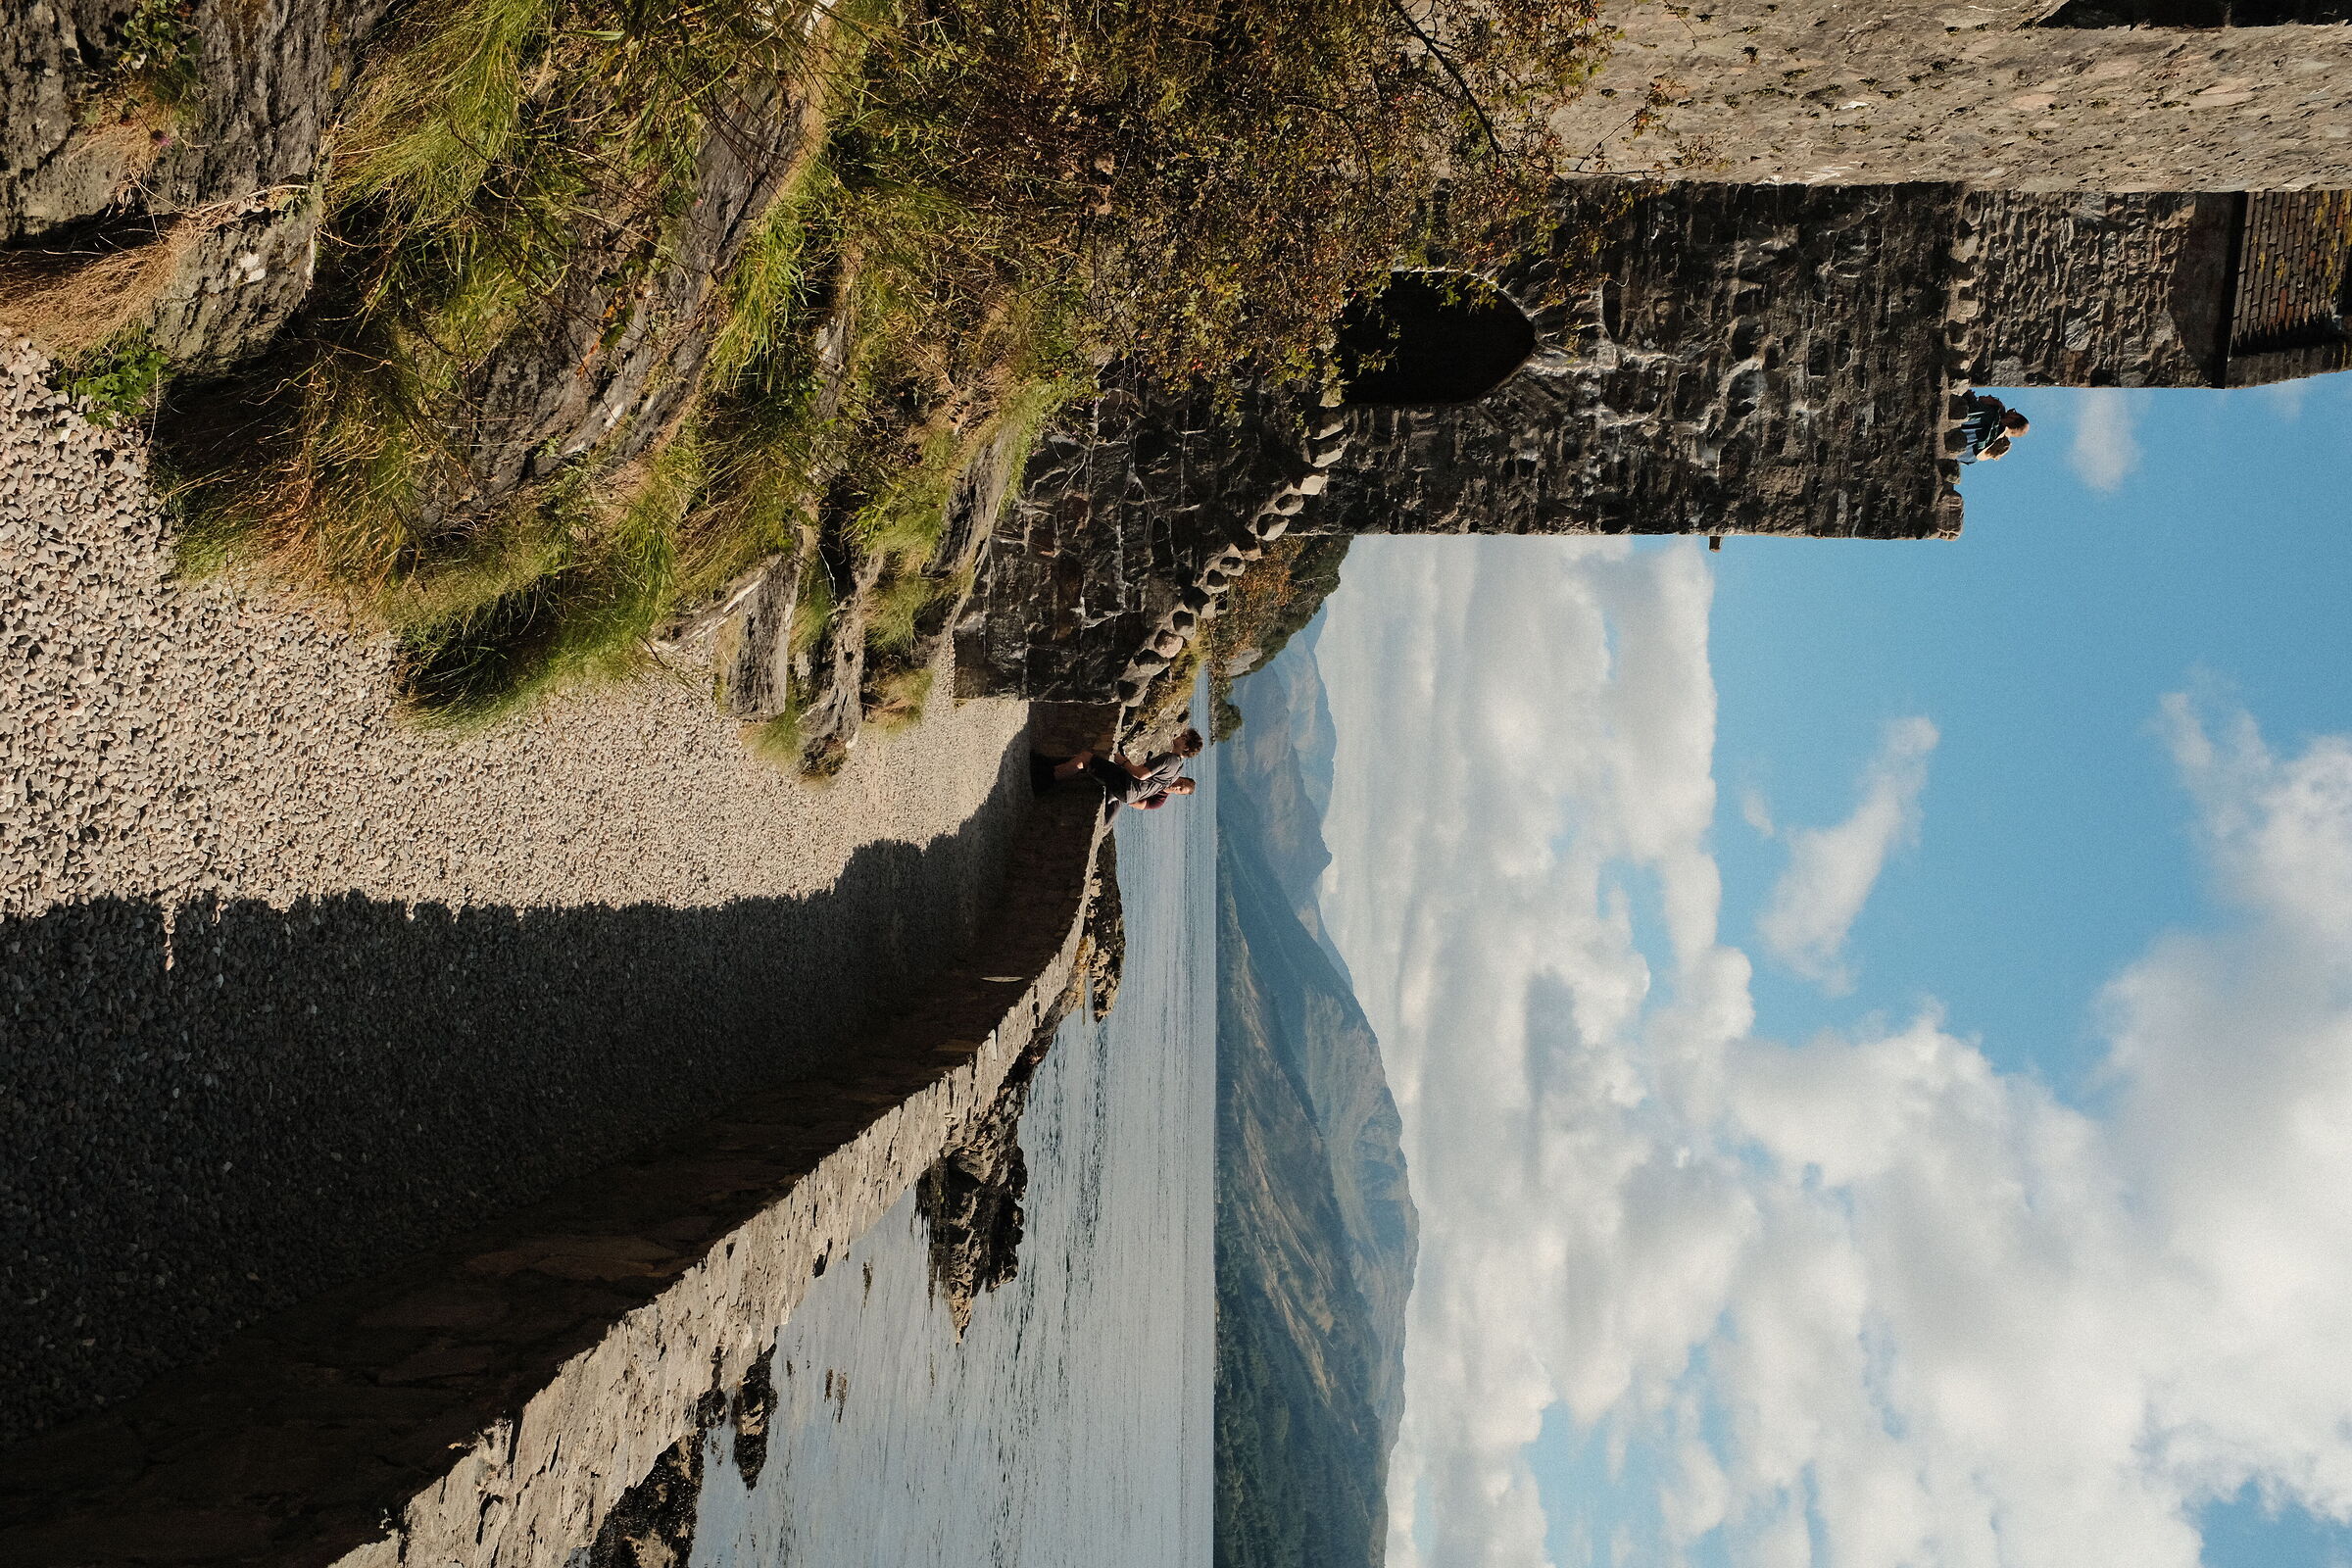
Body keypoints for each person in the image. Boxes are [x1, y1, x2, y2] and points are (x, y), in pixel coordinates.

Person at [1053, 728, 1203, 808]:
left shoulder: (1170, 759)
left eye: (1184, 737)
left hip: (1127, 785)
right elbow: (1149, 780)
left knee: (1086, 758)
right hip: (1130, 791)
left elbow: (1142, 775)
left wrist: (1123, 762)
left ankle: (1049, 778)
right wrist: (1128, 764)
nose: (1180, 736)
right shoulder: (1178, 768)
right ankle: (1049, 767)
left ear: (1185, 746)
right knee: (1088, 763)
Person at [1959, 393, 2030, 463]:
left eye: (1995, 399)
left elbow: (1961, 413)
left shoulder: (1990, 416)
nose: (1990, 395)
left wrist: (1965, 395)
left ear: (2013, 418)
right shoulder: (1972, 459)